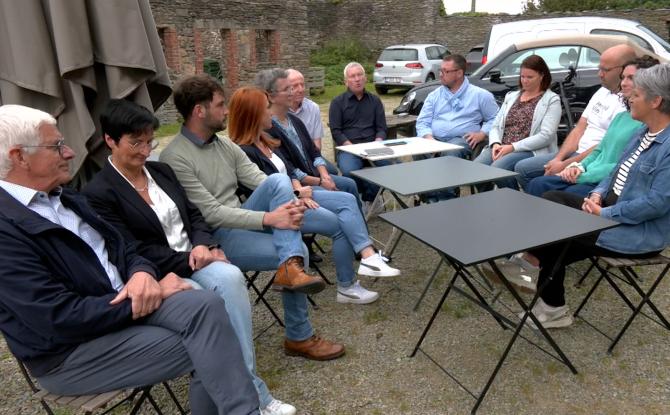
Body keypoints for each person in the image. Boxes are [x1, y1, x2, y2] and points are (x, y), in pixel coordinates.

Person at [0, 104, 259, 414]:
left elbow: (127, 249)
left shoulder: (66, 199)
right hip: (71, 353)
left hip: (125, 307)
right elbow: (57, 317)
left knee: (208, 306)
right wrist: (153, 292)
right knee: (213, 343)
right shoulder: (8, 227)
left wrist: (140, 274)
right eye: (56, 146)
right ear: (19, 157)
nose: (69, 152)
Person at [82, 99, 296, 415]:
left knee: (231, 277)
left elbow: (194, 214)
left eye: (149, 141)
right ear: (110, 141)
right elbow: (129, 248)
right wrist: (192, 259)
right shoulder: (99, 193)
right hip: (158, 274)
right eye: (135, 142)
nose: (144, 150)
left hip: (197, 256)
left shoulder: (160, 171)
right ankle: (250, 396)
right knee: (205, 304)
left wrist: (203, 244)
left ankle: (247, 386)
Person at [159, 74, 344, 361]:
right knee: (299, 251)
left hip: (243, 221)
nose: (227, 111)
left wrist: (291, 205)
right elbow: (210, 213)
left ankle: (291, 278)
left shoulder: (223, 145)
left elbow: (260, 179)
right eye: (220, 105)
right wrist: (271, 219)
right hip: (214, 240)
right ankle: (300, 335)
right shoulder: (175, 157)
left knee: (280, 185)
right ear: (199, 111)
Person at [525, 63, 670, 329]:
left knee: (554, 232)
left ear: (656, 101)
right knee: (551, 199)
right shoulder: (642, 133)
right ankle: (537, 281)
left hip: (637, 231)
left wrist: (604, 213)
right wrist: (597, 194)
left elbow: (656, 203)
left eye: (636, 95)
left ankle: (539, 286)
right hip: (609, 212)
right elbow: (615, 171)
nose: (628, 98)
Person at [228, 85, 400, 303]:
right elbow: (263, 189)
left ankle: (367, 258)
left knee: (346, 198)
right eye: (265, 108)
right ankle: (349, 284)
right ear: (252, 115)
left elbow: (287, 170)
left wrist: (300, 188)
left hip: (297, 196)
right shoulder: (244, 152)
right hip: (279, 212)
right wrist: (300, 192)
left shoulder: (264, 140)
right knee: (339, 223)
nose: (270, 112)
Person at [527, 56, 659, 198]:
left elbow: (622, 165)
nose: (624, 83)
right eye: (623, 77)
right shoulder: (621, 116)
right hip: (587, 172)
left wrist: (581, 175)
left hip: (605, 181)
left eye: (631, 78)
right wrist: (578, 167)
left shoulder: (645, 123)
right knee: (537, 184)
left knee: (563, 195)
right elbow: (600, 149)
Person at [514, 44, 637, 190]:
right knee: (522, 170)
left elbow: (603, 147)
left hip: (591, 159)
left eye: (606, 70)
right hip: (576, 154)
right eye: (599, 68)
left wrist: (566, 165)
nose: (600, 74)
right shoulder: (601, 92)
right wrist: (558, 159)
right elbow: (579, 128)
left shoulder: (628, 104)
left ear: (622, 69)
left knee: (530, 176)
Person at [259, 69, 361, 210]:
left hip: (313, 176)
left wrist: (325, 176)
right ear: (271, 96)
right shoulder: (268, 129)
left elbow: (314, 151)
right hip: (299, 185)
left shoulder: (294, 120)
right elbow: (289, 169)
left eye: (292, 87)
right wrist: (320, 182)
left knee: (349, 184)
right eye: (287, 89)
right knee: (346, 196)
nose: (292, 92)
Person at [415, 54, 498, 200]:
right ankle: (428, 196)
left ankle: (446, 199)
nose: (441, 75)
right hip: (434, 139)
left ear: (459, 73)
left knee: (450, 151)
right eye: (440, 70)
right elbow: (422, 122)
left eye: (445, 71)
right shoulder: (434, 96)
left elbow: (496, 119)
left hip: (461, 140)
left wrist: (482, 133)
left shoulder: (480, 95)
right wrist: (429, 138)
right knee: (418, 149)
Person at [474, 55, 560, 190]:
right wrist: (496, 143)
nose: (525, 81)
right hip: (502, 146)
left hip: (529, 149)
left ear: (542, 76)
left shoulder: (551, 100)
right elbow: (496, 125)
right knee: (476, 168)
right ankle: (489, 200)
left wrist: (512, 147)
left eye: (529, 77)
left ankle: (515, 199)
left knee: (498, 168)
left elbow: (546, 136)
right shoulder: (511, 96)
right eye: (522, 76)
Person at [328, 62, 390, 213]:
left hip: (373, 146)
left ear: (365, 78)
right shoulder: (337, 103)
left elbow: (381, 127)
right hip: (350, 148)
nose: (357, 79)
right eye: (352, 76)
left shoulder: (375, 101)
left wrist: (378, 142)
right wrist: (350, 146)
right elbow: (336, 131)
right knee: (349, 171)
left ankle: (372, 196)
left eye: (359, 75)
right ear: (346, 81)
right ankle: (364, 197)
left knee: (393, 166)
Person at [286, 68, 338, 175]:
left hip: (310, 156)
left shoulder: (313, 108)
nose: (301, 89)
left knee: (332, 172)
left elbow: (317, 145)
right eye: (295, 86)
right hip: (289, 159)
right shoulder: (280, 111)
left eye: (302, 84)